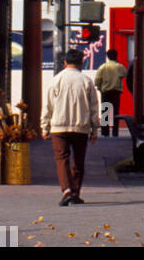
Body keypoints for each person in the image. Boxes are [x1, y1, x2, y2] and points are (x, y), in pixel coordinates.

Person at [41, 47, 100, 206]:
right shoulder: (86, 81)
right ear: (82, 62)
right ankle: (75, 192)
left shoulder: (56, 80)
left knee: (62, 159)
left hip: (59, 128)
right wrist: (95, 130)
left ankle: (66, 190)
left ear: (65, 62)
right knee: (78, 161)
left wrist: (44, 127)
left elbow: (48, 106)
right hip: (81, 127)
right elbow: (94, 108)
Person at [94, 49, 127, 137]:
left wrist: (100, 88)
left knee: (105, 112)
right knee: (116, 112)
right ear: (116, 56)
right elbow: (125, 74)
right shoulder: (119, 66)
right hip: (116, 92)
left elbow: (97, 80)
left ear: (107, 57)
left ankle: (105, 132)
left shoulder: (103, 67)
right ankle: (115, 132)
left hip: (105, 92)